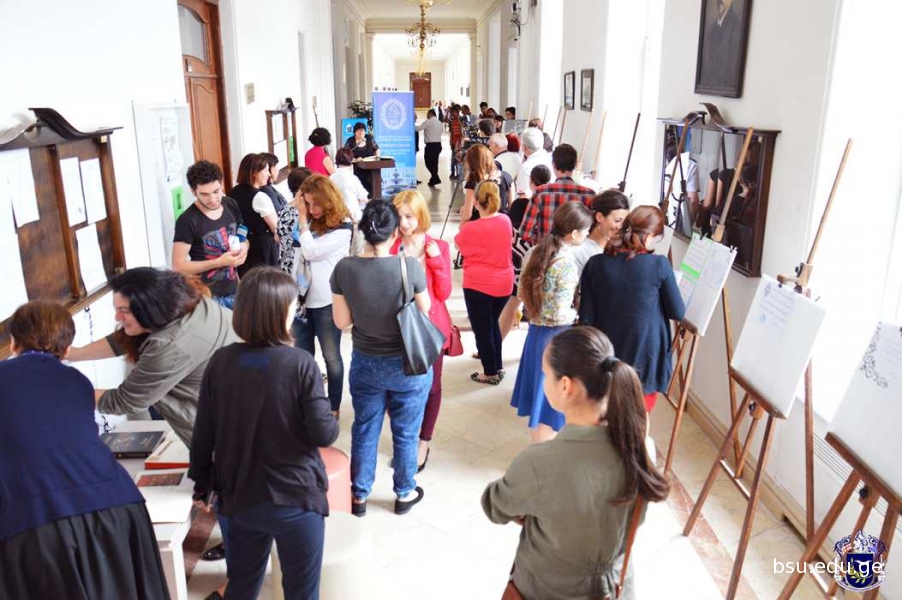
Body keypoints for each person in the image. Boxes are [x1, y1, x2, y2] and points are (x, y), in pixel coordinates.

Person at [482, 327, 671, 600]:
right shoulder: (641, 451)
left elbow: (495, 506)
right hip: (614, 590)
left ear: (565, 386)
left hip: (545, 590)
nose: (544, 382)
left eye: (546, 374)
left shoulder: (539, 463)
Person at [0, 301, 169, 600]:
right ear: (66, 348)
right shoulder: (76, 380)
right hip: (118, 505)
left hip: (38, 518)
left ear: (14, 342)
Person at [190, 268, 339, 600]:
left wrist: (202, 482)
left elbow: (203, 433)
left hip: (239, 499)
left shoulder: (220, 362)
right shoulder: (300, 363)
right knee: (302, 593)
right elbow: (324, 434)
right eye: (292, 306)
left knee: (242, 586)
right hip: (295, 498)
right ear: (280, 313)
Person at [330, 200, 433, 517]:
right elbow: (425, 310)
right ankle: (403, 492)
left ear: (363, 230)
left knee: (365, 428)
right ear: (395, 233)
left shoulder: (344, 269)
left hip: (366, 362)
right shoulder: (409, 267)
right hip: (408, 365)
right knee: (406, 431)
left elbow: (342, 322)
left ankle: (359, 495)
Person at [68, 267, 239, 446]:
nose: (117, 317)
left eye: (124, 311)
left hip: (226, 438)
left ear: (149, 309)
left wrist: (63, 392)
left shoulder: (170, 345)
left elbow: (124, 401)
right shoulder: (189, 303)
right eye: (117, 309)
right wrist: (75, 353)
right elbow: (129, 335)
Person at [578, 206, 686, 415]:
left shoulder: (595, 263)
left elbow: (586, 316)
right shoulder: (659, 265)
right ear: (649, 236)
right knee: (639, 413)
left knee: (608, 411)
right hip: (645, 352)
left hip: (605, 351)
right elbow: (678, 312)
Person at [511, 202, 593, 444]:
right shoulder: (566, 263)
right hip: (556, 337)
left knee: (539, 401)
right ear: (574, 233)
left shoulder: (534, 252)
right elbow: (559, 313)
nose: (588, 235)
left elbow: (520, 293)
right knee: (549, 405)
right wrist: (578, 314)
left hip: (535, 334)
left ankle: (539, 448)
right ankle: (544, 454)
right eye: (586, 231)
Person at [390, 190, 453, 472]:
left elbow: (444, 292)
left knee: (432, 387)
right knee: (397, 387)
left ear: (420, 215)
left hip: (430, 329)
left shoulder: (438, 246)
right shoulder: (390, 246)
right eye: (399, 217)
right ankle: (406, 436)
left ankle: (423, 441)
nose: (404, 223)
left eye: (409, 216)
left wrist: (436, 260)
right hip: (396, 329)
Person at [288, 174, 353, 417]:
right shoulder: (305, 220)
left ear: (328, 200)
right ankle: (308, 402)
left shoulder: (343, 226)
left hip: (327, 300)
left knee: (331, 357)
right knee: (303, 358)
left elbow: (311, 251)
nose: (313, 209)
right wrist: (298, 211)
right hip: (301, 299)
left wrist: (302, 219)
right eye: (308, 203)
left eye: (316, 203)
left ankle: (333, 406)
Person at [455, 182, 515, 385]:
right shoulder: (505, 221)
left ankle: (490, 373)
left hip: (478, 284)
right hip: (504, 282)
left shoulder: (471, 228)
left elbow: (459, 244)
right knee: (492, 324)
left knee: (482, 330)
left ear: (476, 202)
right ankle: (497, 365)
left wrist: (463, 218)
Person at [172, 160, 248, 308]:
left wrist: (244, 247)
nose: (213, 200)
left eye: (216, 191)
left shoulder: (230, 204)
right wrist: (219, 262)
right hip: (208, 298)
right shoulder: (187, 221)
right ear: (193, 192)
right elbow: (178, 266)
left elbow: (242, 235)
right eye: (204, 194)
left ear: (221, 184)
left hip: (234, 291)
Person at [500, 165, 554, 343]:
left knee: (511, 304)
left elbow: (513, 230)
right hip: (546, 259)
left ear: (531, 181)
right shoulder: (553, 204)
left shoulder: (521, 204)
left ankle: (495, 346)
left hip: (519, 259)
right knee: (537, 306)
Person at [519, 143, 595, 245]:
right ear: (576, 164)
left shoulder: (541, 193)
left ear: (553, 164)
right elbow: (592, 233)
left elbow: (525, 232)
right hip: (577, 253)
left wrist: (542, 242)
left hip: (547, 251)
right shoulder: (589, 195)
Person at [231, 153, 281, 275]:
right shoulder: (260, 197)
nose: (269, 174)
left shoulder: (233, 192)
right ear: (254, 173)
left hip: (243, 244)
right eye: (266, 170)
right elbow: (277, 228)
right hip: (263, 248)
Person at [571, 189, 631, 274]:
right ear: (599, 217)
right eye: (617, 220)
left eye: (625, 222)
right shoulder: (579, 250)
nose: (621, 226)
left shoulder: (622, 248)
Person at [460, 144, 514, 222]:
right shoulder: (507, 177)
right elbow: (511, 207)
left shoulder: (473, 181)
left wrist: (463, 212)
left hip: (479, 223)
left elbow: (467, 215)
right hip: (501, 222)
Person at [330, 147, 368, 224]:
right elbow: (363, 198)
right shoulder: (352, 178)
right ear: (351, 160)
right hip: (352, 218)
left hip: (336, 217)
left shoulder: (331, 178)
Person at [516, 127, 555, 201]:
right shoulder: (551, 161)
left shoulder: (526, 167)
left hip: (533, 204)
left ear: (524, 147)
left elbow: (522, 196)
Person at [344, 122, 380, 197]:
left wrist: (377, 157)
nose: (361, 132)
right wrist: (355, 159)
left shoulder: (369, 138)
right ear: (355, 132)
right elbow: (345, 154)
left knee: (371, 186)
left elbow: (377, 149)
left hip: (370, 168)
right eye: (359, 130)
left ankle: (372, 199)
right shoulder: (350, 141)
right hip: (356, 169)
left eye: (363, 130)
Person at [416, 109, 444, 187]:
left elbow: (418, 129)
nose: (426, 116)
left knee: (428, 162)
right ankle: (433, 180)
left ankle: (435, 177)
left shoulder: (428, 122)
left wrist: (409, 126)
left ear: (430, 113)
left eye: (427, 114)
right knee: (434, 163)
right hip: (438, 145)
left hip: (431, 146)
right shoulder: (440, 123)